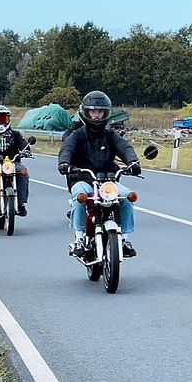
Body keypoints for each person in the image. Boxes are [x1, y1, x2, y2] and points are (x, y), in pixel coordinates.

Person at [57, 91, 142, 258]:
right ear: (86, 112)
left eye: (100, 112)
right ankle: (79, 238)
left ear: (106, 113)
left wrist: (133, 162)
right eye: (93, 112)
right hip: (82, 177)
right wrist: (64, 163)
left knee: (126, 197)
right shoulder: (77, 134)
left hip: (108, 179)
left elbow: (124, 147)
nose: (96, 116)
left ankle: (124, 239)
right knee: (81, 197)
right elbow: (67, 148)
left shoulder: (110, 134)